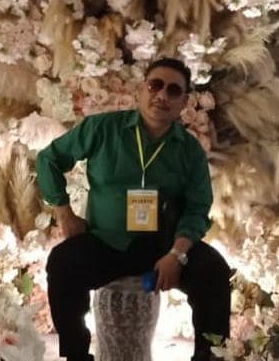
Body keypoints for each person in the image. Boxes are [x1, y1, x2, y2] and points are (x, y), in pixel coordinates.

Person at [36, 58, 231, 361]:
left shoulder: (189, 149)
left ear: (183, 103)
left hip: (164, 246)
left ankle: (210, 357)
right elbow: (48, 159)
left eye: (173, 90)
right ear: (141, 90)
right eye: (155, 85)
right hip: (107, 242)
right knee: (63, 264)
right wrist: (64, 213)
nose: (162, 95)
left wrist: (177, 254)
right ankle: (77, 356)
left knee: (213, 271)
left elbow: (198, 208)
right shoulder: (102, 128)